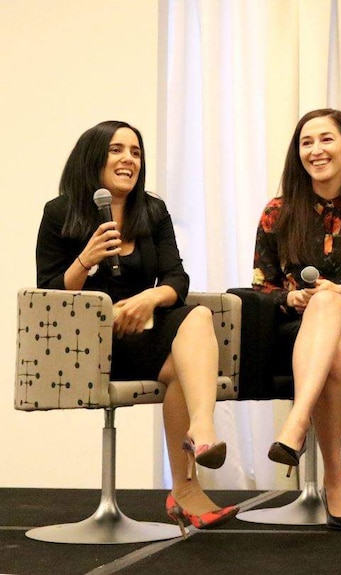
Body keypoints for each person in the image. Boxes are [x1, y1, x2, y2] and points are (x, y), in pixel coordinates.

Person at [35, 120, 237, 536]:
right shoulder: (59, 214)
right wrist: (86, 259)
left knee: (197, 317)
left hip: (145, 334)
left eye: (136, 151)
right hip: (88, 346)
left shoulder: (152, 210)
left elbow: (177, 280)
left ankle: (200, 434)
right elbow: (49, 295)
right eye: (117, 150)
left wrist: (149, 297)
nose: (129, 158)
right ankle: (185, 486)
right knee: (184, 360)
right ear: (93, 157)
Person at [252, 108, 341, 531]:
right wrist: (291, 295)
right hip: (297, 331)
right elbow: (261, 287)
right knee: (333, 345)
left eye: (326, 140)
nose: (316, 150)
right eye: (306, 142)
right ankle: (336, 477)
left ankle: (295, 424)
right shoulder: (277, 213)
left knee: (331, 306)